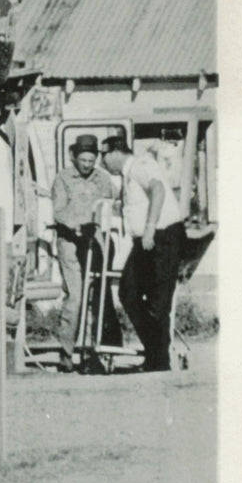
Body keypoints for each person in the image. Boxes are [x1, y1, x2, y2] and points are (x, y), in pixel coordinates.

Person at [102, 134, 187, 372]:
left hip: (163, 237)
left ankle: (158, 361)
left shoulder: (140, 165)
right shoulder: (127, 175)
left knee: (158, 302)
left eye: (103, 155)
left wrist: (149, 228)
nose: (103, 161)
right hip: (146, 241)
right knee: (128, 292)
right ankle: (155, 352)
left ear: (115, 153)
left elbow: (157, 189)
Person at [50, 134, 122, 370]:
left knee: (99, 297)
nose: (87, 165)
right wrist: (77, 226)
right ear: (74, 157)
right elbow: (58, 211)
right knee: (76, 296)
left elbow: (112, 203)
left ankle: (96, 351)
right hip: (71, 242)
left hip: (96, 242)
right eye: (83, 161)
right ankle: (66, 352)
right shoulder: (62, 179)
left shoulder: (103, 179)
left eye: (91, 161)